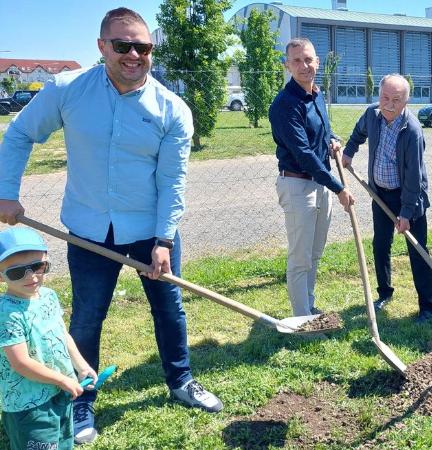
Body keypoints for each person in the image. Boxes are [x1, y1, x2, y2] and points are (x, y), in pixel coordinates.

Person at [0, 8, 223, 444]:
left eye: (143, 47)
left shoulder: (172, 109)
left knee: (169, 308)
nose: (134, 55)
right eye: (123, 45)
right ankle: (83, 400)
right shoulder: (67, 90)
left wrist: (163, 240)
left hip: (151, 232)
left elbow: (173, 181)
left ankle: (181, 381)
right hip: (88, 229)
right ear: (102, 47)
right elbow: (20, 132)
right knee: (87, 317)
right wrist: (7, 191)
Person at [269, 37, 355, 317]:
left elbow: (321, 132)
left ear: (317, 62)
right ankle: (302, 317)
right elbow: (304, 153)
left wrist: (332, 139)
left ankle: (309, 306)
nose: (304, 65)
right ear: (287, 66)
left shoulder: (317, 94)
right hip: (298, 185)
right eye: (297, 61)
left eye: (308, 59)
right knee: (300, 257)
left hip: (319, 183)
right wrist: (338, 187)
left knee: (314, 253)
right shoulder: (285, 104)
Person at [342, 74, 432, 323]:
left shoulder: (412, 130)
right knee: (381, 245)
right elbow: (358, 132)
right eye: (385, 97)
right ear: (378, 96)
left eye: (396, 99)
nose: (389, 104)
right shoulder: (372, 115)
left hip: (409, 199)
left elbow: (415, 177)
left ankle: (426, 306)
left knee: (417, 251)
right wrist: (349, 152)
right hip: (379, 194)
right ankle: (384, 293)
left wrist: (406, 213)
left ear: (406, 101)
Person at [0, 227, 97, 450]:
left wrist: (80, 366)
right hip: (29, 403)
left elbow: (62, 333)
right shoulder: (7, 313)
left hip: (60, 391)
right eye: (16, 272)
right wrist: (62, 380)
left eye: (38, 267)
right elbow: (21, 362)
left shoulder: (48, 296)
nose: (31, 276)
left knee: (63, 442)